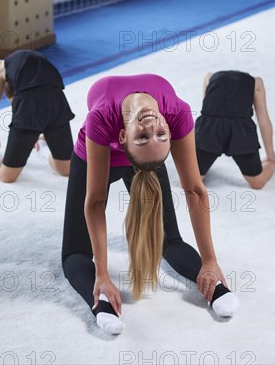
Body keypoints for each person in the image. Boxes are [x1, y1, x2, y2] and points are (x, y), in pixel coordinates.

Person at [62, 74, 239, 335]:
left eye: (158, 134)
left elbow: (195, 190)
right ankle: (100, 302)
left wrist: (210, 261)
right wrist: (102, 274)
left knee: (169, 240)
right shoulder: (100, 118)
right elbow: (96, 202)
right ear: (122, 135)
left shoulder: (176, 115)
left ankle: (216, 289)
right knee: (75, 252)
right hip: (95, 155)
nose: (152, 126)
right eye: (145, 136)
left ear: (171, 131)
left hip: (146, 161)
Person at [0, 50, 75, 182]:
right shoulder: (5, 69)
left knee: (67, 169)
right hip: (51, 96)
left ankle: (42, 146)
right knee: (7, 176)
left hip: (54, 97)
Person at [195, 71, 275, 189]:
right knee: (189, 183)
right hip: (210, 131)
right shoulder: (208, 78)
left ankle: (272, 163)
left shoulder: (256, 83)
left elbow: (263, 121)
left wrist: (270, 157)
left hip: (241, 133)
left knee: (257, 183)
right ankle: (202, 166)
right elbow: (207, 113)